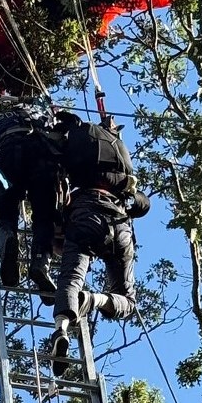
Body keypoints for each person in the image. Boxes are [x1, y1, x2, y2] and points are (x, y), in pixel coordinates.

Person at [48, 111, 151, 376]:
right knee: (128, 302)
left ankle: (61, 328)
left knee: (71, 277)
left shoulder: (76, 148)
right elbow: (141, 202)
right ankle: (94, 300)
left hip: (87, 213)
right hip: (121, 224)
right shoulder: (119, 155)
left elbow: (56, 183)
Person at [0, 96, 64, 299]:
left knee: (6, 211)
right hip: (40, 155)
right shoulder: (39, 114)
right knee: (44, 216)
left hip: (8, 152)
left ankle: (7, 238)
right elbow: (59, 138)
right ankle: (40, 263)